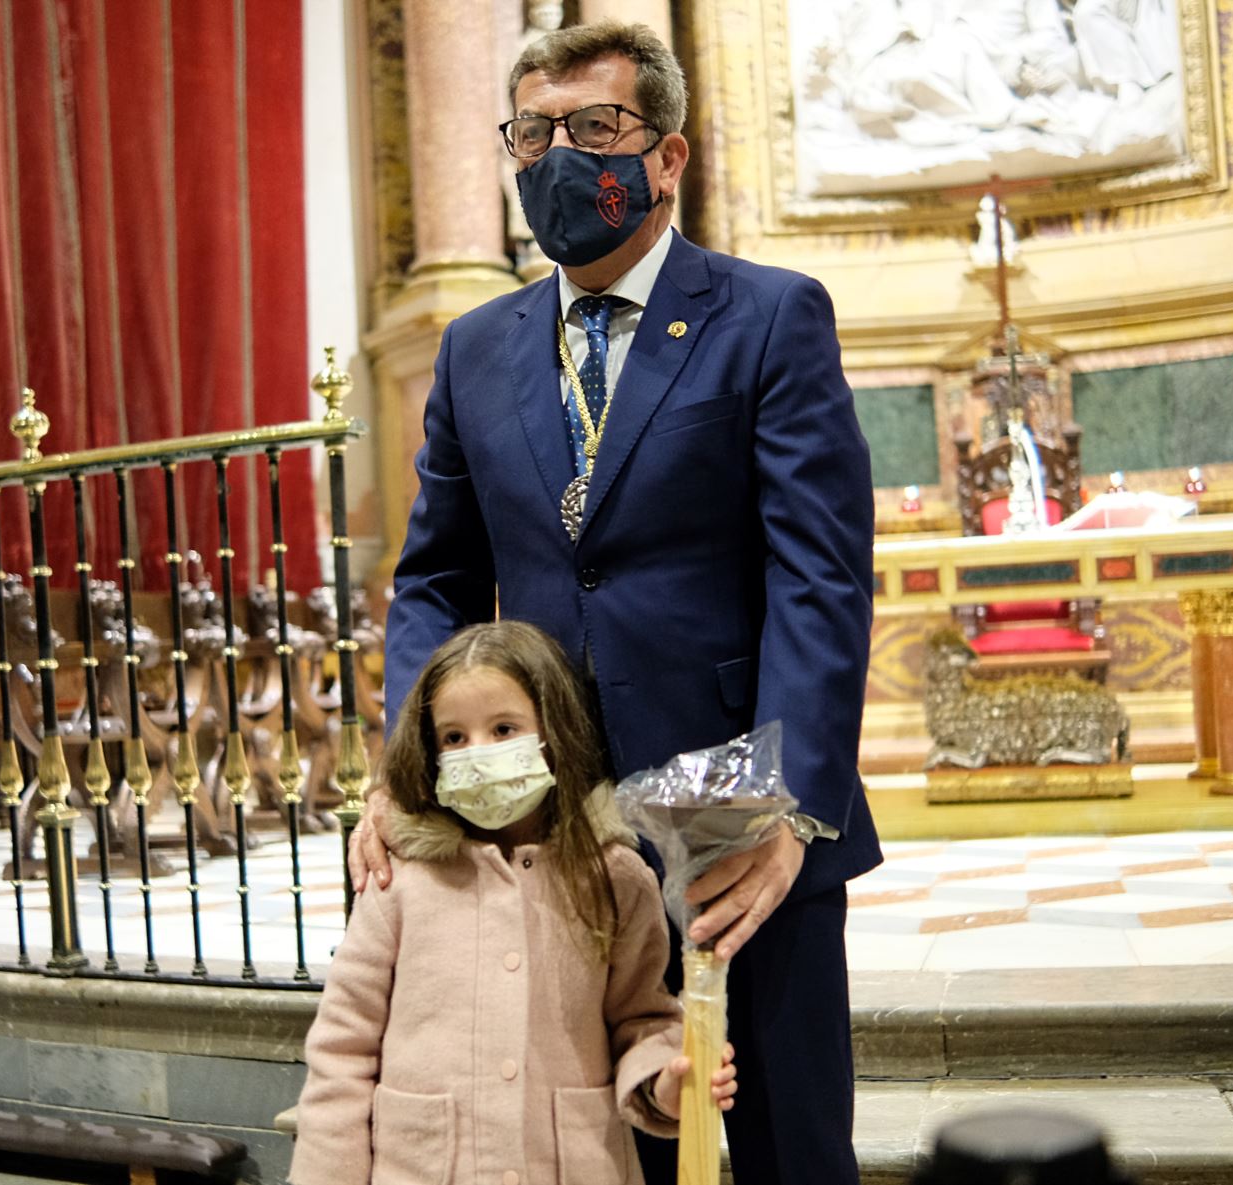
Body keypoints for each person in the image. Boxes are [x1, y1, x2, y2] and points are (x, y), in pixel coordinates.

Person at [352, 20, 881, 1185]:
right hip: (551, 818)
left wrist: (788, 809)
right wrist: (405, 773)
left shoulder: (767, 314)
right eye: (532, 133)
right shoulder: (474, 348)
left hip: (732, 810)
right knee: (597, 1141)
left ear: (667, 156)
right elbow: (437, 578)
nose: (558, 158)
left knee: (786, 1145)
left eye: (595, 128)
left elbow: (820, 577)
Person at [291, 620, 736, 1185]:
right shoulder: (400, 881)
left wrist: (665, 1083)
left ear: (555, 731)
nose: (479, 753)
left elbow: (640, 1019)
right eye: (454, 737)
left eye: (504, 729)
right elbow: (343, 1049)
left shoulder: (614, 877)